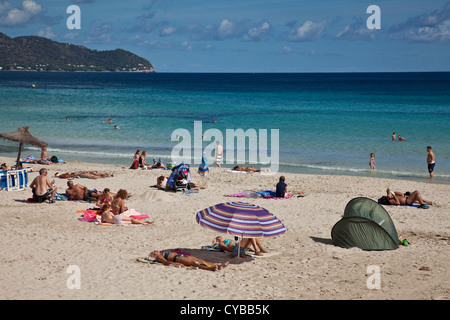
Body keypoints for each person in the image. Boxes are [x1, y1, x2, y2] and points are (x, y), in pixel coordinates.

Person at [149, 250, 229, 271]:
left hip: (182, 255)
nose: (156, 250)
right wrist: (175, 264)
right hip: (178, 258)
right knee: (195, 263)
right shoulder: (159, 256)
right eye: (154, 252)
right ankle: (210, 268)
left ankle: (217, 266)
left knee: (200, 260)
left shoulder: (162, 253)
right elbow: (165, 262)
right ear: (154, 255)